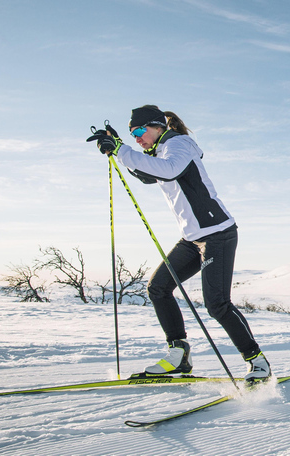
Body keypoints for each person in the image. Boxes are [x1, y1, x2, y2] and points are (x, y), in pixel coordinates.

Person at [87, 105, 271, 382]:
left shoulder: (179, 143)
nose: (137, 138)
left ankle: (257, 361)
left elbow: (170, 170)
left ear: (157, 126)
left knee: (217, 304)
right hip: (192, 239)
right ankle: (179, 355)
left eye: (139, 131)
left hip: (217, 234)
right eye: (132, 134)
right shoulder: (161, 151)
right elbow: (150, 175)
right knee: (158, 287)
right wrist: (118, 148)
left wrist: (123, 150)